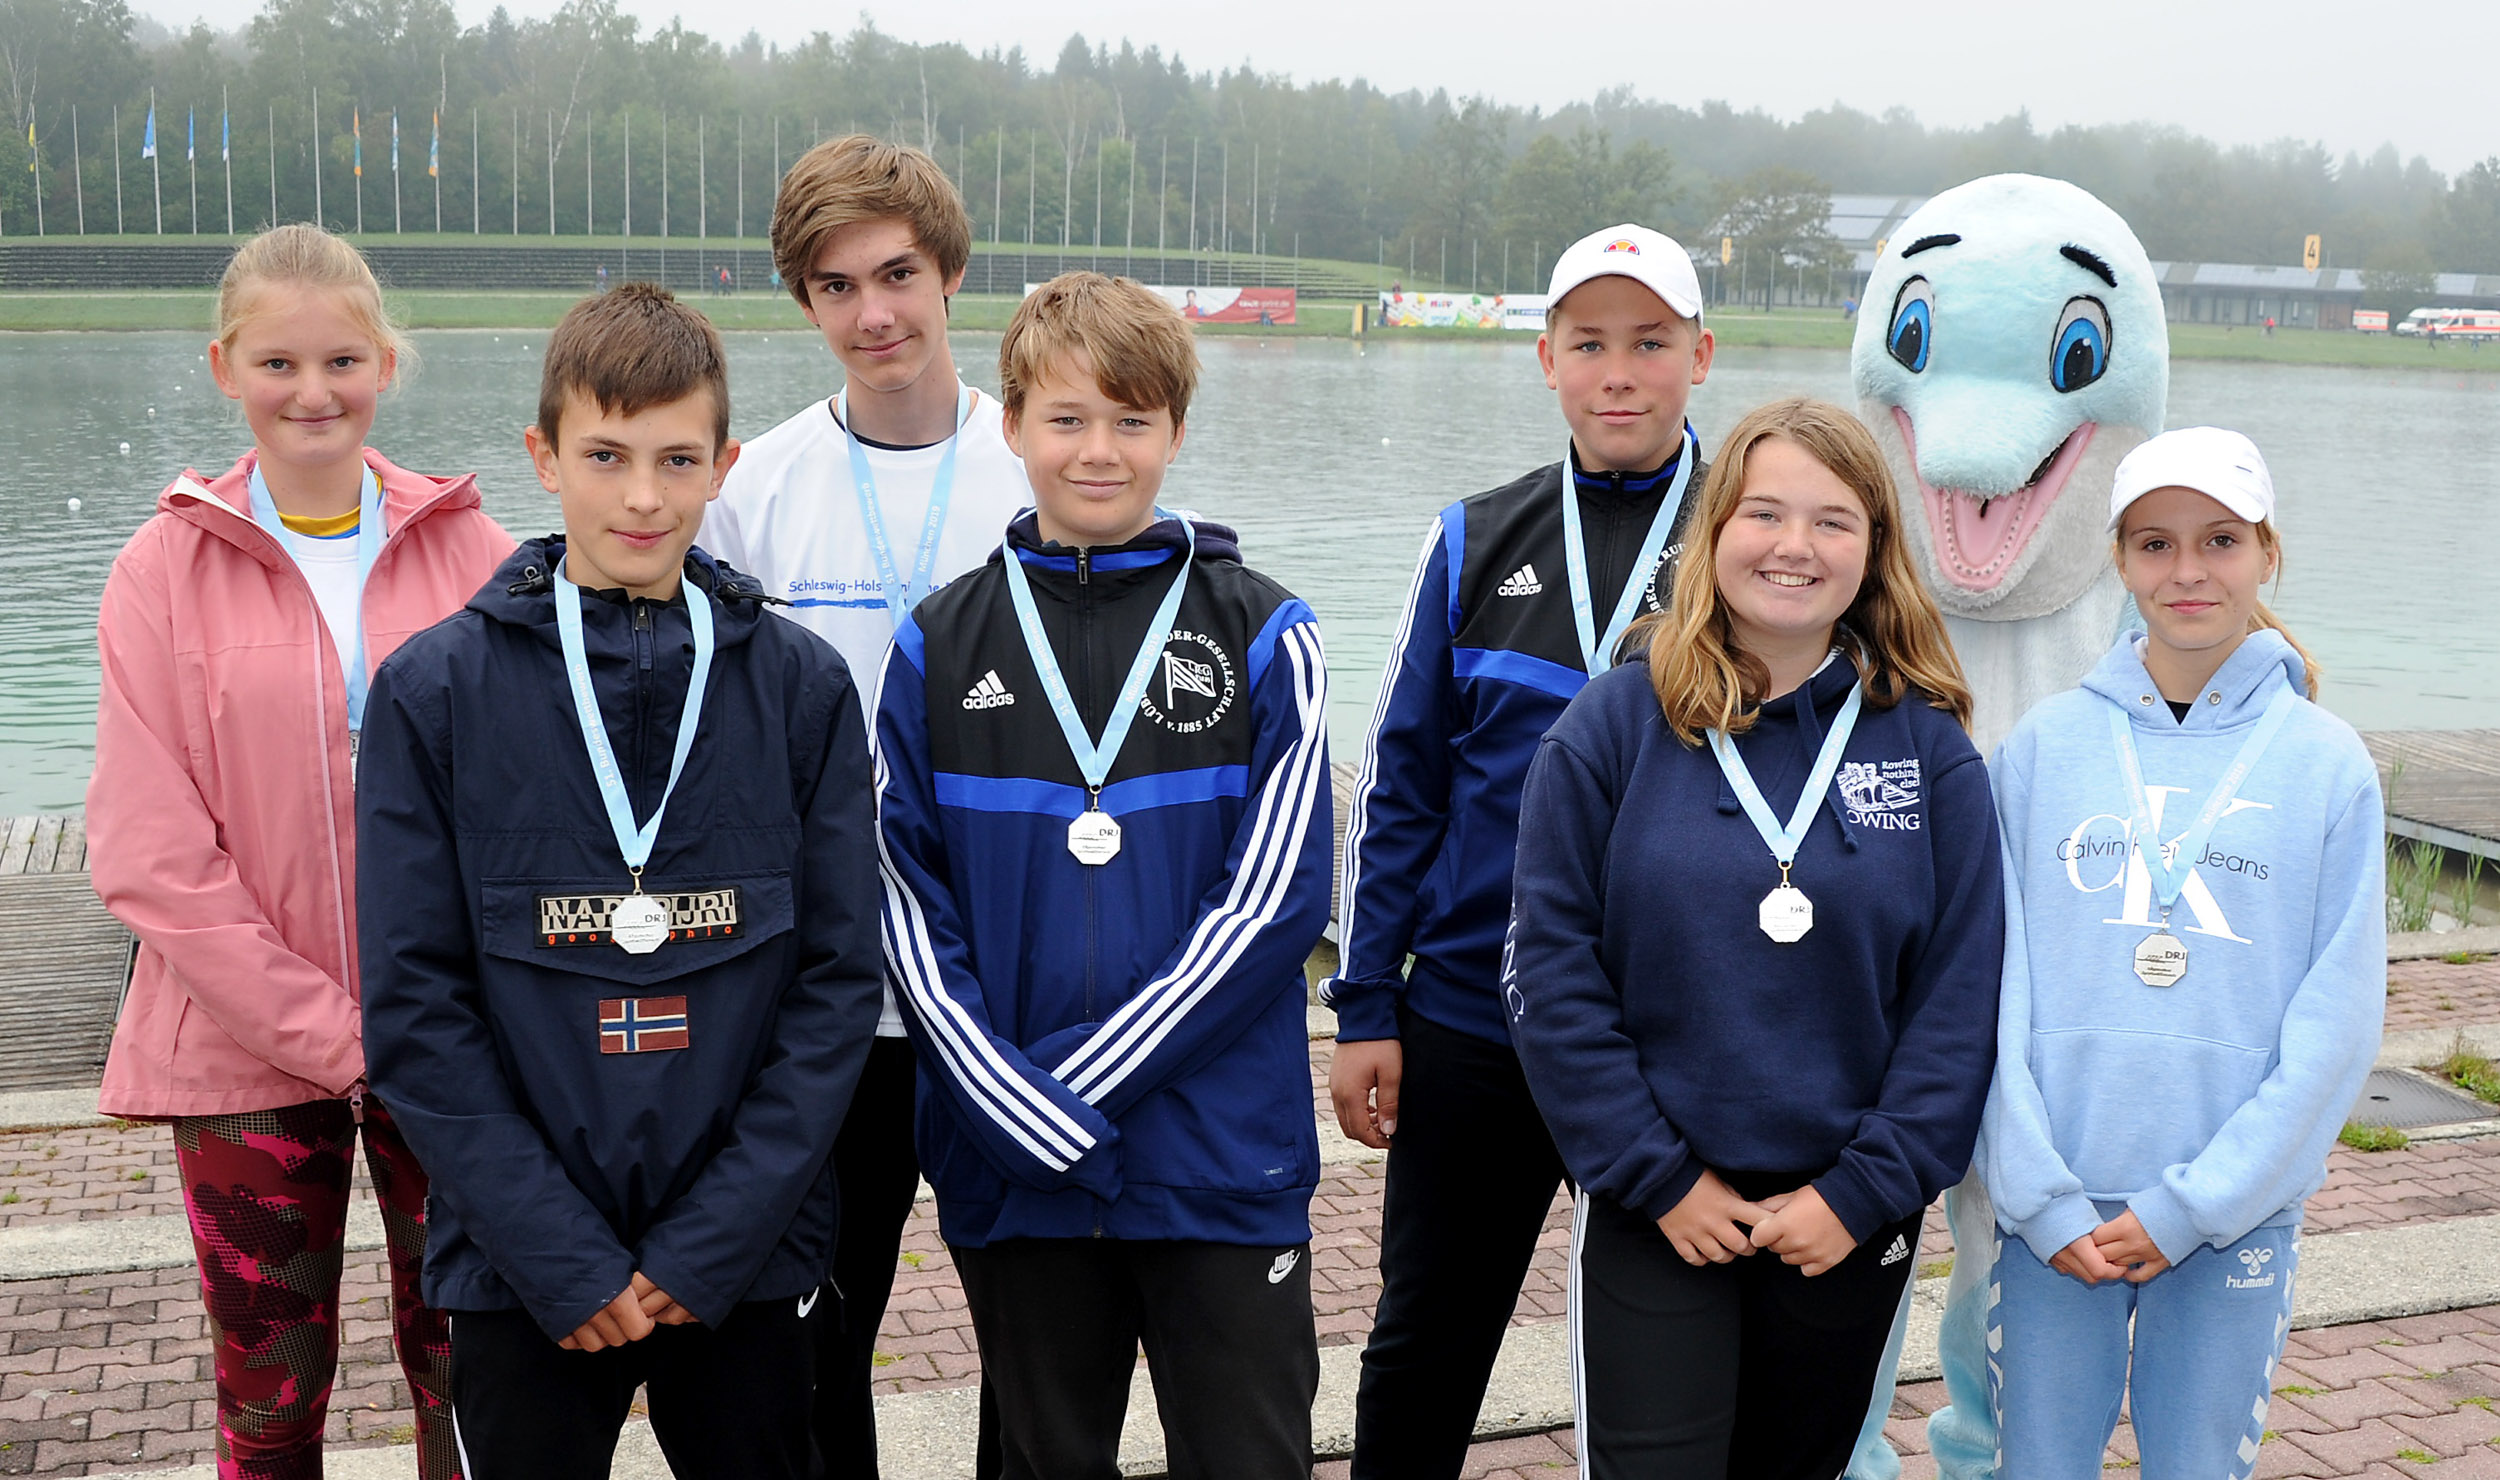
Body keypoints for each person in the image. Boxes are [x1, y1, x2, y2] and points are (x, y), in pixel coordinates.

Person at [356, 283, 883, 1479]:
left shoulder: (800, 691)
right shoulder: (432, 694)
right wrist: (557, 1255)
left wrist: (710, 1246)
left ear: (723, 465)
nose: (642, 496)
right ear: (542, 456)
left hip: (746, 1260)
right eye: (605, 454)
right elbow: (414, 1007)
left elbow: (836, 986)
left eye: (675, 458)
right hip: (520, 1264)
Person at [875, 272, 1333, 1479]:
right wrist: (1011, 1105)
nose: (1099, 450)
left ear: (1176, 432)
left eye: (1132, 421)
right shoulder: (936, 641)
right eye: (1067, 418)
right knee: (1040, 1462)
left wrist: (1068, 1091)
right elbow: (904, 902)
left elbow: (1273, 905)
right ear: (1012, 424)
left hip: (1218, 1162)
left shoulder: (1266, 633)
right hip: (1012, 1162)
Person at [1505, 396, 2004, 1479]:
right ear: (1712, 530)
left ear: (1874, 553)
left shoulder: (1929, 756)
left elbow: (1958, 1004)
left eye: (1832, 521)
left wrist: (1863, 1191)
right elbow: (1548, 973)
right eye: (1764, 512)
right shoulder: (1610, 728)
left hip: (1845, 1215)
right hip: (1659, 1208)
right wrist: (1656, 1176)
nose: (1793, 546)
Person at [86, 222, 513, 1480]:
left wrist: (420, 1028)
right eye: (277, 363)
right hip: (238, 1064)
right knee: (269, 1404)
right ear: (224, 367)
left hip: (454, 1049)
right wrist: (335, 1034)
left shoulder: (477, 558)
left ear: (388, 360)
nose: (312, 392)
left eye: (342, 359)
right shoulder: (158, 572)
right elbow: (146, 850)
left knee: (469, 1377)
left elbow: (526, 806)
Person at [1324, 221, 1716, 1478]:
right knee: (1427, 1335)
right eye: (1590, 342)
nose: (1619, 371)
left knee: (1672, 1348)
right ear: (1544, 359)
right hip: (1472, 1028)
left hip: (1678, 1032)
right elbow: (1400, 789)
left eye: (1649, 342)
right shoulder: (1470, 539)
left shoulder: (1757, 539)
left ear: (1698, 356)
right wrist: (1366, 1000)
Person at [700, 131, 1029, 1479]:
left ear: (952, 272)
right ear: (805, 305)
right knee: (818, 1340)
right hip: (831, 1000)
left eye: (897, 272)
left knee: (1038, 1333)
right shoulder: (752, 491)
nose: (874, 312)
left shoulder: (1049, 462)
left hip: (1009, 985)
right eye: (836, 287)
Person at [1972, 427, 2383, 1476]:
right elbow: (1986, 988)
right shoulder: (2042, 747)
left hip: (2229, 1213)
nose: (2187, 571)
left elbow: (2335, 1025)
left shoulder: (2328, 765)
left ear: (2266, 552)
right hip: (2052, 1214)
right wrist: (2035, 1189)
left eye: (2219, 540)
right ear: (2118, 560)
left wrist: (2196, 1204)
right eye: (2153, 544)